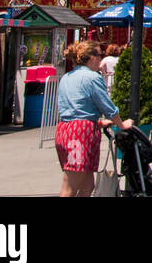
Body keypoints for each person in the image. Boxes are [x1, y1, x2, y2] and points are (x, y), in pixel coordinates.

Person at [55, 41, 131, 197]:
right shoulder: (91, 77)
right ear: (90, 58)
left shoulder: (66, 77)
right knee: (70, 184)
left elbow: (73, 107)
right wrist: (122, 125)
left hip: (66, 129)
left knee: (87, 185)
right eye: (99, 54)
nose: (101, 58)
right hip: (80, 133)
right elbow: (107, 107)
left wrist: (98, 122)